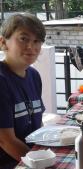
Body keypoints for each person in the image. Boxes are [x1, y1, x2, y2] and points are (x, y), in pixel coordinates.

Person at [0, 13, 46, 168]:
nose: (31, 47)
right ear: (3, 42)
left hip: (30, 155)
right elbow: (5, 141)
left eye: (36, 41)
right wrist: (41, 162)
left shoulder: (34, 76)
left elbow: (37, 124)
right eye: (23, 38)